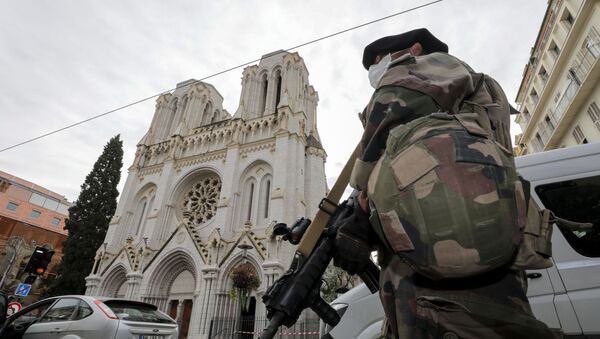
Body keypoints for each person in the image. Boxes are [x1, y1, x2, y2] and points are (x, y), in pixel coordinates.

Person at [333, 28, 560, 338]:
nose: (377, 70)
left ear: (414, 50)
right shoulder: (474, 90)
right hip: (480, 251)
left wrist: (359, 206)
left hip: (441, 259)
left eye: (379, 60)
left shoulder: (433, 65)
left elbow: (392, 105)